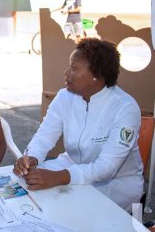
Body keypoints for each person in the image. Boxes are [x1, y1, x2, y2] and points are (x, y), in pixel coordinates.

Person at [13, 38, 143, 212]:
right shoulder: (64, 97)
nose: (66, 73)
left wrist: (60, 177)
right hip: (71, 166)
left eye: (74, 68)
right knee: (24, 183)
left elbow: (107, 167)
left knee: (68, 210)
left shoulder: (125, 107)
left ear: (97, 75)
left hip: (116, 183)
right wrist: (31, 158)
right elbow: (44, 136)